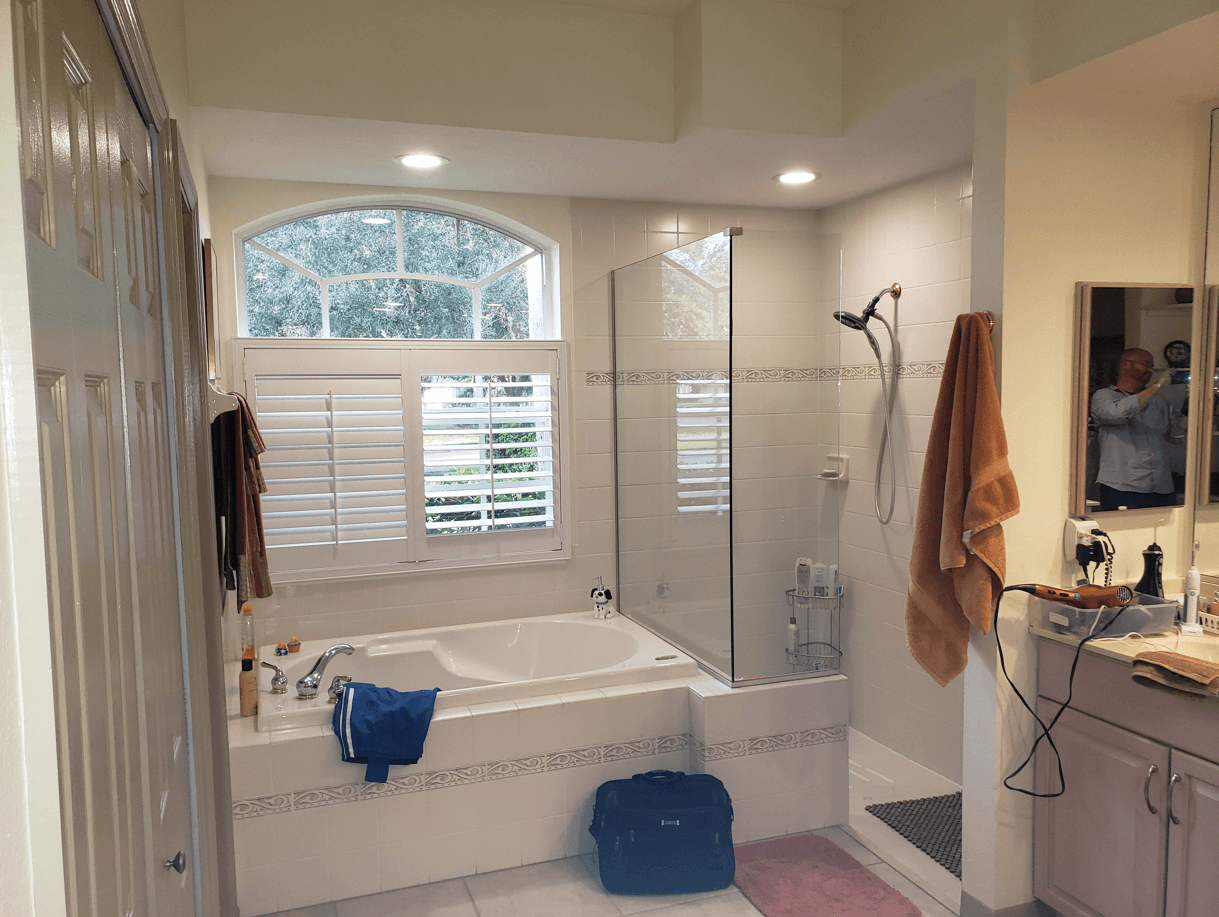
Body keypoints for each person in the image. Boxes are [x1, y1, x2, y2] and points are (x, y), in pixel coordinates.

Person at [1090, 348, 1185, 511]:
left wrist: (1190, 409)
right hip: (1122, 488)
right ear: (1126, 365)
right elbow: (1117, 414)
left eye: (1152, 365)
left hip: (1162, 487)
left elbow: (1176, 437)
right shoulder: (1104, 396)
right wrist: (1158, 385)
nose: (1151, 369)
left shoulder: (1159, 401)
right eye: (1146, 363)